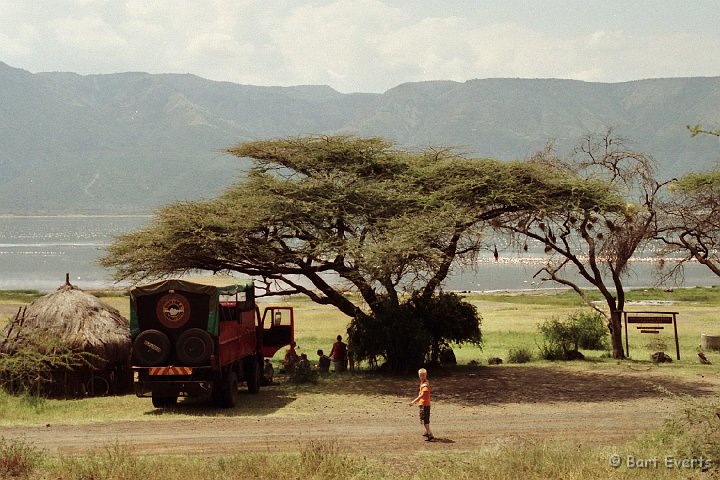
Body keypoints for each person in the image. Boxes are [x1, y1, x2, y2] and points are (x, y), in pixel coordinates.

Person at [409, 368, 434, 441]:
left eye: (423, 375)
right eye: (420, 375)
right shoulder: (425, 382)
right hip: (425, 404)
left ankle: (430, 434)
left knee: (424, 421)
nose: (422, 377)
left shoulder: (424, 385)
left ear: (426, 375)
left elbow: (422, 395)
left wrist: (413, 401)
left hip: (424, 405)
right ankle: (427, 432)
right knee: (425, 419)